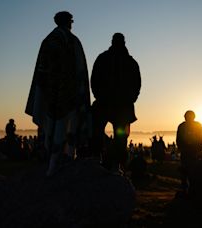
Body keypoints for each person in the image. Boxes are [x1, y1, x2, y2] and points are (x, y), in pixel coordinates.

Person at [25, 11, 90, 176]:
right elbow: (80, 71)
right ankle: (58, 162)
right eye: (71, 21)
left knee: (52, 126)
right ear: (68, 22)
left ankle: (53, 162)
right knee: (65, 126)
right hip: (67, 93)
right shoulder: (72, 41)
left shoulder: (48, 41)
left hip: (50, 92)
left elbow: (41, 70)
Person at [90, 33, 141, 174]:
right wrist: (130, 99)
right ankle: (112, 164)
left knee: (104, 133)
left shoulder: (103, 58)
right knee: (116, 136)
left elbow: (94, 80)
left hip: (111, 104)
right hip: (117, 106)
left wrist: (99, 96)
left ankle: (104, 161)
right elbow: (137, 84)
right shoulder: (130, 62)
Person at [176, 110, 202, 194]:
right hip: (189, 152)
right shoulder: (183, 126)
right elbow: (178, 139)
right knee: (187, 170)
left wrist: (199, 150)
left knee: (190, 170)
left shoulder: (184, 126)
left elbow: (201, 139)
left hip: (191, 152)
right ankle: (188, 188)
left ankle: (189, 188)